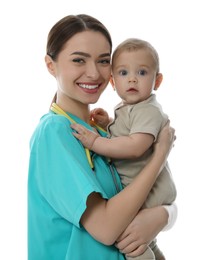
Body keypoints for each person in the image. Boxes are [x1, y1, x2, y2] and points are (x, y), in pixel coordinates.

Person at [28, 15, 176, 260]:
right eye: (78, 60)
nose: (94, 73)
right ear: (50, 65)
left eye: (104, 61)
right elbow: (107, 229)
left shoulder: (102, 132)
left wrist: (168, 214)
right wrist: (160, 156)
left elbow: (139, 200)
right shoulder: (55, 133)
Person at [71, 38, 177, 260]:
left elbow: (136, 146)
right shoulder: (129, 109)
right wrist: (107, 123)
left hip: (151, 191)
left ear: (157, 80)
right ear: (112, 81)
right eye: (123, 73)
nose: (132, 79)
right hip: (146, 189)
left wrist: (96, 142)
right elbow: (127, 135)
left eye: (141, 73)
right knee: (146, 241)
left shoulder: (147, 110)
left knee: (128, 241)